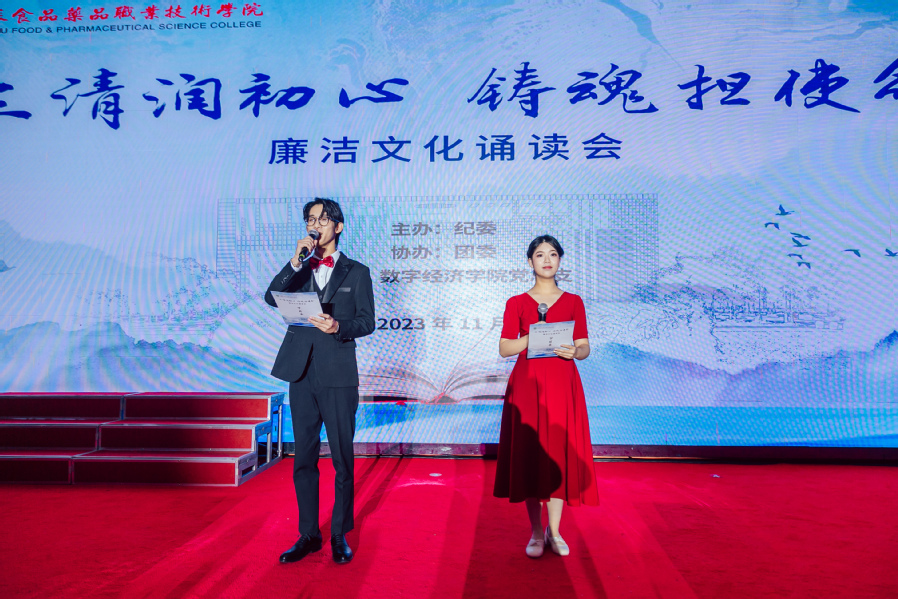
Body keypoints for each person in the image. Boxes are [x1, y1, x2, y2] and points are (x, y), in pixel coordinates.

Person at [264, 198, 375, 565]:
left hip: (338, 374)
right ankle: (308, 534)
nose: (316, 225)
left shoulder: (357, 272)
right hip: (301, 372)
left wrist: (338, 325)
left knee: (342, 458)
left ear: (338, 227)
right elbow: (271, 297)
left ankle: (340, 533)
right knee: (304, 458)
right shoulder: (299, 267)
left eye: (323, 219)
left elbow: (367, 321)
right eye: (311, 219)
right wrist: (296, 261)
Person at [494, 234, 599, 558]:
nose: (547, 260)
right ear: (530, 262)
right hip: (528, 385)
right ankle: (536, 532)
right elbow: (505, 348)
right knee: (531, 454)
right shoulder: (516, 302)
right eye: (540, 255)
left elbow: (584, 346)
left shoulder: (574, 301)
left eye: (553, 254)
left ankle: (555, 531)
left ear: (559, 260)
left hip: (562, 383)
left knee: (557, 452)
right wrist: (533, 336)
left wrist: (576, 352)